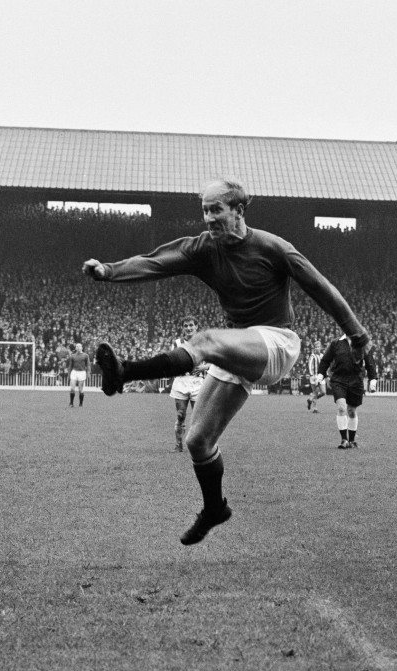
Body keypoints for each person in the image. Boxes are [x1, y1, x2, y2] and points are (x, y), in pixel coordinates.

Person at [82, 177, 372, 545]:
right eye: (204, 210)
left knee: (204, 339)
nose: (208, 217)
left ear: (238, 210)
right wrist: (109, 270)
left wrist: (357, 334)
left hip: (276, 343)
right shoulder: (204, 248)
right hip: (237, 348)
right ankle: (214, 508)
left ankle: (125, 373)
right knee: (198, 441)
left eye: (216, 209)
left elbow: (322, 289)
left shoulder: (274, 248)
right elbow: (156, 261)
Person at [316, 335, 377, 449]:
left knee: (352, 411)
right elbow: (325, 360)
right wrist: (320, 375)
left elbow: (370, 362)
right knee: (341, 408)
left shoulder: (362, 344)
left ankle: (352, 440)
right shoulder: (336, 343)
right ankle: (344, 439)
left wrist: (373, 380)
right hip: (339, 380)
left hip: (356, 381)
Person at [169, 316, 209, 452]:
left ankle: (201, 446)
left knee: (199, 417)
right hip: (181, 382)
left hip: (198, 383)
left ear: (196, 326)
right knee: (181, 415)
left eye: (191, 325)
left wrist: (204, 368)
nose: (188, 328)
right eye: (185, 326)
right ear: (182, 328)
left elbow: (214, 361)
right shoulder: (177, 343)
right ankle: (179, 445)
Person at [305, 340, 326, 412]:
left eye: (319, 346)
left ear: (321, 347)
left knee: (323, 392)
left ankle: (310, 400)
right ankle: (315, 408)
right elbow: (310, 366)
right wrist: (312, 375)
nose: (317, 348)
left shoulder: (322, 355)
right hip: (314, 376)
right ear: (314, 348)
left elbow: (324, 365)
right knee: (316, 392)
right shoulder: (312, 356)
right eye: (316, 347)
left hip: (321, 376)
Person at [68, 342, 90, 407]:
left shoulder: (85, 355)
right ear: (75, 348)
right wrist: (69, 375)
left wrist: (88, 373)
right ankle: (71, 403)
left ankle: (81, 404)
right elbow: (70, 366)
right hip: (74, 372)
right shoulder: (72, 356)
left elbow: (88, 365)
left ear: (82, 347)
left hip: (82, 372)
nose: (78, 347)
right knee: (72, 388)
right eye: (77, 346)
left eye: (79, 346)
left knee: (80, 389)